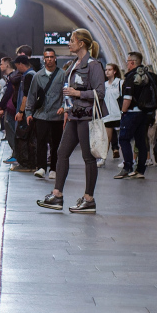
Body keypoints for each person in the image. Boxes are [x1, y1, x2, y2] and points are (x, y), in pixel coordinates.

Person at [38, 28, 106, 214]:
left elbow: (100, 93)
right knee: (62, 152)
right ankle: (57, 195)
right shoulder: (73, 64)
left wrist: (77, 93)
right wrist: (67, 106)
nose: (69, 43)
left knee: (88, 157)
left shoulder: (93, 65)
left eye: (72, 40)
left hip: (86, 116)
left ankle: (89, 199)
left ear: (81, 43)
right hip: (74, 115)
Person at [23, 49, 66, 179]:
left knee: (55, 143)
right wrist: (28, 112)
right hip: (41, 114)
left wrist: (64, 107)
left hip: (56, 115)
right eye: (47, 57)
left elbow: (66, 92)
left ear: (55, 58)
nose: (49, 59)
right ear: (43, 59)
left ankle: (53, 168)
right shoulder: (37, 76)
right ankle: (41, 167)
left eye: (52, 57)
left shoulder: (62, 75)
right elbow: (31, 95)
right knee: (41, 141)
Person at [116, 51, 157, 179]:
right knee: (141, 141)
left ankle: (127, 167)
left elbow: (127, 98)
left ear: (133, 62)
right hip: (145, 113)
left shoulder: (131, 77)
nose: (127, 64)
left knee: (123, 139)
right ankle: (140, 170)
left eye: (128, 61)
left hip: (132, 113)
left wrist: (123, 111)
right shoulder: (149, 76)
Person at [10, 55, 36, 171]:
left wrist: (21, 111)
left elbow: (26, 96)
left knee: (23, 138)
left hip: (26, 113)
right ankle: (29, 164)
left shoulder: (29, 76)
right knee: (28, 138)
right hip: (30, 112)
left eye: (17, 66)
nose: (17, 69)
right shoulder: (32, 74)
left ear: (21, 64)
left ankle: (26, 164)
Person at [0, 57, 18, 162]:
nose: (0, 66)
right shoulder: (11, 77)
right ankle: (15, 154)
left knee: (11, 131)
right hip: (11, 108)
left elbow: (8, 93)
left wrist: (2, 106)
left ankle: (15, 155)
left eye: (1, 64)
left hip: (11, 109)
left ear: (7, 65)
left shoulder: (12, 77)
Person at [102, 63, 123, 161]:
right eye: (106, 70)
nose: (107, 71)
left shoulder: (120, 83)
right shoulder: (104, 85)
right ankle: (103, 158)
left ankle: (125, 159)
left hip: (119, 114)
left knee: (123, 138)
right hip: (107, 115)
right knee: (107, 138)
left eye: (109, 70)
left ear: (114, 71)